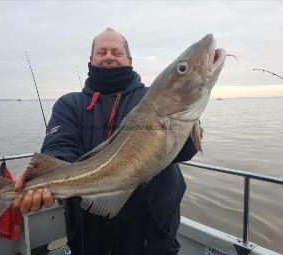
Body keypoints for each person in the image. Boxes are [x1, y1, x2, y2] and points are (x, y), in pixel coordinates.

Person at [12, 28, 198, 255]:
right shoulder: (70, 104)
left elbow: (185, 151)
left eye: (116, 52)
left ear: (129, 59)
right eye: (102, 52)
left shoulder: (152, 100)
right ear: (91, 60)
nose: (109, 56)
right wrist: (39, 178)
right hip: (89, 237)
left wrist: (187, 117)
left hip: (151, 236)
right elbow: (60, 146)